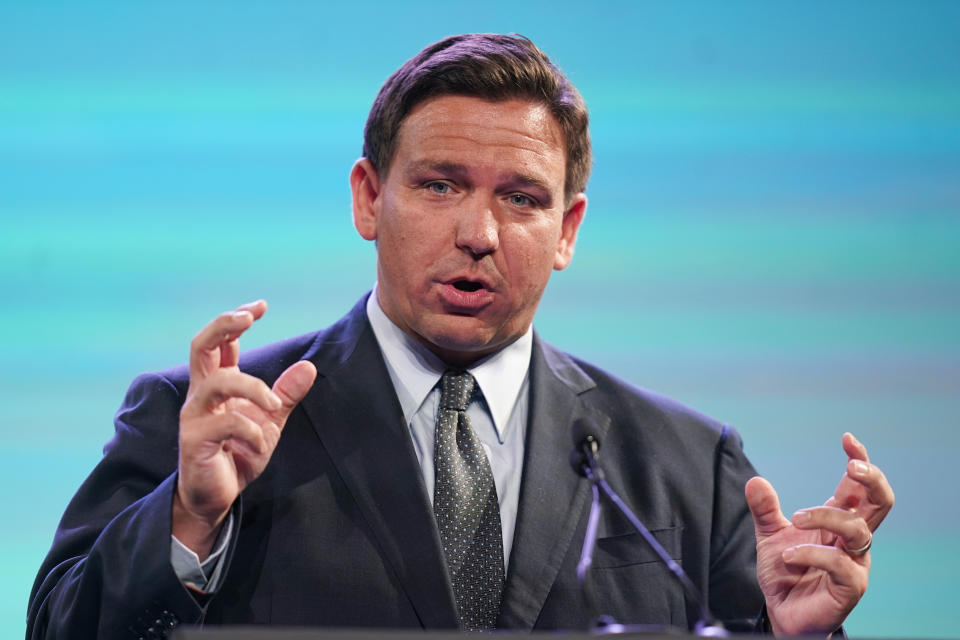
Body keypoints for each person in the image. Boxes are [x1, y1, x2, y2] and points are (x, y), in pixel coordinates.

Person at [27, 33, 893, 640]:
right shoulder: (204, 421)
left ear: (568, 229)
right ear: (370, 198)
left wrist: (793, 636)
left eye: (521, 198)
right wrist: (188, 519)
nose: (479, 231)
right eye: (441, 186)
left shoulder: (690, 469)